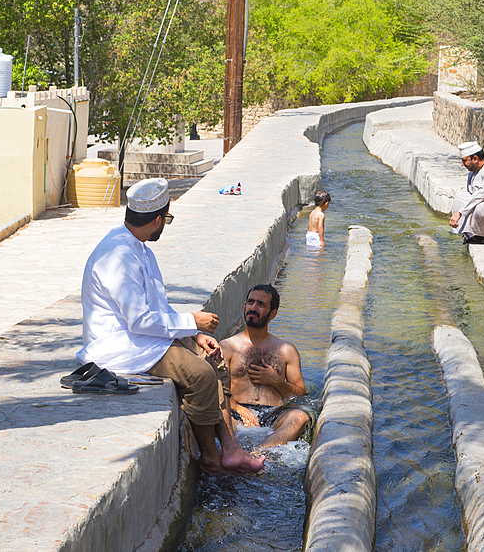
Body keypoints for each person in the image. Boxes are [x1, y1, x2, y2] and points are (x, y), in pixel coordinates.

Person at [78, 177, 264, 475]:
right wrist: (191, 321)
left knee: (214, 359)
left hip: (143, 337)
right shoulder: (119, 256)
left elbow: (158, 308)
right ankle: (211, 458)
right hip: (122, 347)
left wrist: (195, 334)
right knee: (201, 375)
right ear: (156, 220)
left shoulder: (139, 249)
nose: (165, 225)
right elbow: (139, 320)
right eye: (167, 219)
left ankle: (230, 448)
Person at [221, 284, 314, 448]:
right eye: (250, 302)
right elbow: (217, 392)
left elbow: (300, 395)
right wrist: (240, 410)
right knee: (219, 417)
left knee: (300, 418)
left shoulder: (287, 350)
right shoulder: (227, 347)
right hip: (238, 413)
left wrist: (276, 381)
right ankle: (240, 453)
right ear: (244, 306)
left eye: (261, 304)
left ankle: (259, 454)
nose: (253, 308)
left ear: (273, 314)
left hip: (275, 414)